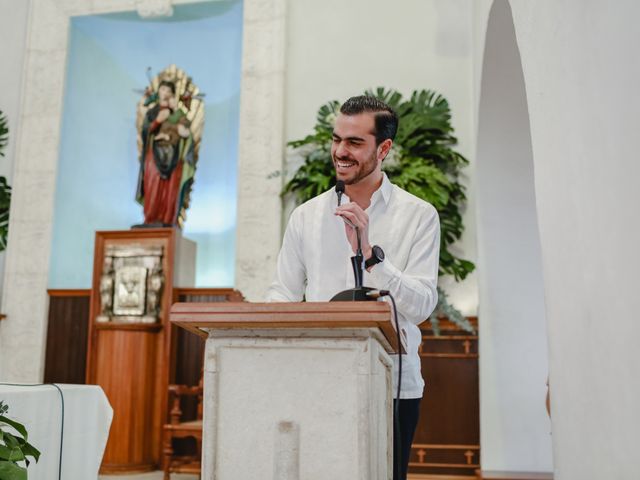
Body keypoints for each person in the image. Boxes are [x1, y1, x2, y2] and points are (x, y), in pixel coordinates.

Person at [267, 95, 440, 480]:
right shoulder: (306, 217)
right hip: (318, 378)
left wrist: (371, 255)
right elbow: (282, 294)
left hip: (393, 383)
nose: (340, 152)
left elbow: (422, 305)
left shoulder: (419, 216)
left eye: (354, 143)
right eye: (336, 139)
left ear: (384, 148)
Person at [136, 80, 195, 226]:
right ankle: (150, 218)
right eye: (163, 89)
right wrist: (157, 121)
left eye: (169, 91)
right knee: (153, 186)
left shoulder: (179, 115)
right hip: (154, 156)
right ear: (158, 92)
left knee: (170, 190)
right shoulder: (152, 112)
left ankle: (168, 219)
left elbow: (187, 134)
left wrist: (181, 132)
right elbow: (145, 132)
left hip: (174, 156)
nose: (166, 94)